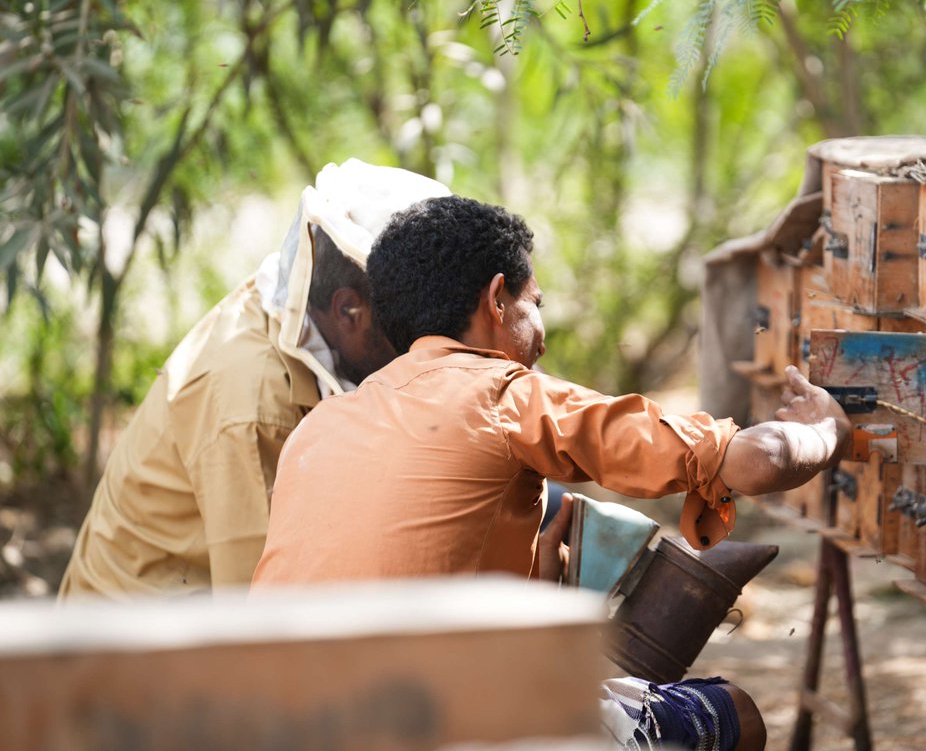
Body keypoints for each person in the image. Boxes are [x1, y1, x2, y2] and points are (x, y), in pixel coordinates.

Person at [252, 195, 851, 749]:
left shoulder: (321, 426)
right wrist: (826, 429)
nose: (541, 332)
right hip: (440, 724)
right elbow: (754, 460)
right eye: (534, 304)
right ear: (496, 299)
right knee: (735, 713)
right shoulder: (504, 396)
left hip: (286, 721)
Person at [58, 161, 450, 599]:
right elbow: (260, 617)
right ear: (348, 311)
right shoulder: (254, 408)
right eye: (411, 324)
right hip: (135, 644)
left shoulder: (297, 319)